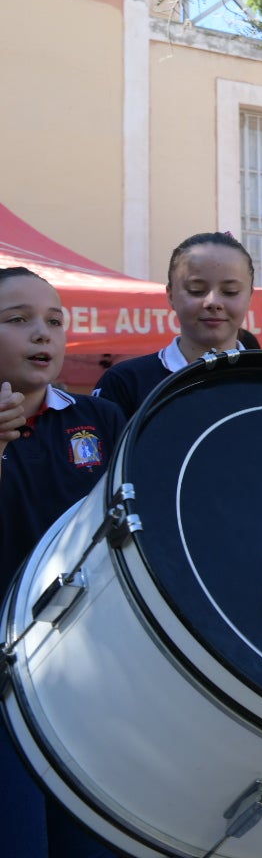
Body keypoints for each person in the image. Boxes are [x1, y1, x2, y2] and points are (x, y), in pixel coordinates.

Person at [0, 267, 124, 858]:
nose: (42, 334)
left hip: (86, 673)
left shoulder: (99, 420)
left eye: (54, 321)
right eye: (18, 320)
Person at [92, 232, 256, 416]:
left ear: (250, 297)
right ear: (171, 296)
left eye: (230, 291)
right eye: (196, 290)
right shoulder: (125, 382)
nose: (213, 302)